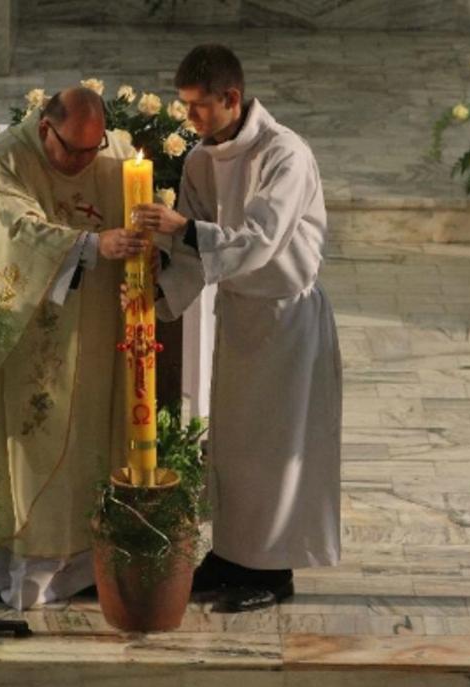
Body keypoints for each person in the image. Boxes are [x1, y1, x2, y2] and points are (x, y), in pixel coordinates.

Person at [136, 44, 342, 613]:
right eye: (186, 108)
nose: (191, 120)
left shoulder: (287, 154)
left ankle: (273, 571)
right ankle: (231, 553)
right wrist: (155, 294)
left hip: (287, 319)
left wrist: (184, 229)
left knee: (277, 450)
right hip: (240, 316)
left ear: (232, 97)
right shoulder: (202, 159)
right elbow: (191, 251)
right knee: (233, 446)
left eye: (199, 107)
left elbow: (258, 241)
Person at [0, 87, 141, 609]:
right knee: (23, 446)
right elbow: (14, 234)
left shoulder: (113, 154)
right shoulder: (0, 164)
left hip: (91, 334)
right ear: (46, 127)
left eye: (94, 151)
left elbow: (135, 217)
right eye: (73, 151)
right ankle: (15, 567)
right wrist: (93, 245)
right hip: (21, 342)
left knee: (88, 443)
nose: (84, 163)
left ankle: (82, 563)